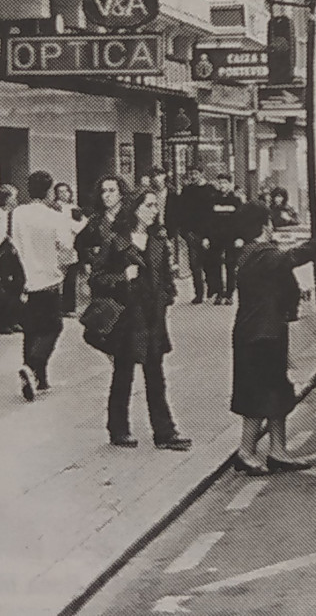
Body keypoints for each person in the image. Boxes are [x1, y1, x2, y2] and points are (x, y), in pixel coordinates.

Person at [90, 189, 191, 451]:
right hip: (127, 317)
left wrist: (168, 296)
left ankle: (165, 432)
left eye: (156, 206)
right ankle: (118, 429)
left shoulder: (158, 241)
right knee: (123, 375)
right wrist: (123, 277)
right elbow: (97, 278)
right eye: (148, 205)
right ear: (135, 209)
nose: (153, 210)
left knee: (156, 376)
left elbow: (167, 278)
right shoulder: (116, 240)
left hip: (152, 316)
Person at [229, 201, 316, 475]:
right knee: (258, 394)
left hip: (264, 331)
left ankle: (278, 451)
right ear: (264, 225)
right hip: (259, 335)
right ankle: (246, 452)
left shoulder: (250, 253)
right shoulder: (259, 253)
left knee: (277, 391)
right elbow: (291, 258)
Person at [10, 170, 83, 401]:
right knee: (53, 327)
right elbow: (66, 244)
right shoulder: (54, 215)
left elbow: (14, 240)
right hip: (49, 278)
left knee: (32, 329)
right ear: (49, 190)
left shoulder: (18, 213)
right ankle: (32, 367)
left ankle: (39, 379)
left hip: (26, 276)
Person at [176, 167, 215, 304]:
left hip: (206, 232)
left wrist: (208, 235)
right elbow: (180, 210)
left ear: (202, 174)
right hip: (191, 232)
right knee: (195, 264)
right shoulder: (187, 191)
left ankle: (212, 288)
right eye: (191, 174)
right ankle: (199, 293)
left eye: (195, 174)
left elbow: (211, 215)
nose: (193, 176)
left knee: (208, 262)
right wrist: (184, 231)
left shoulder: (210, 190)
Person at [205, 173, 243, 305]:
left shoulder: (236, 201)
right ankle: (219, 293)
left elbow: (240, 221)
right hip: (216, 237)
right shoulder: (212, 200)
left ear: (230, 184)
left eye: (225, 183)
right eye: (220, 183)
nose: (222, 186)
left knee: (230, 265)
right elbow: (208, 221)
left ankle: (229, 294)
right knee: (215, 265)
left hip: (231, 237)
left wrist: (240, 237)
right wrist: (207, 237)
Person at [0, 184, 21, 334]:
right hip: (2, 255)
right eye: (13, 197)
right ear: (7, 199)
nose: (16, 200)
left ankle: (14, 319)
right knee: (3, 289)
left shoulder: (15, 215)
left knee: (17, 286)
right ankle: (2, 323)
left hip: (15, 254)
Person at [50, 182, 83, 317]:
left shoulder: (74, 208)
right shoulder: (54, 208)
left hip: (71, 244)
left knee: (71, 279)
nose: (64, 194)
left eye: (66, 191)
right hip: (58, 245)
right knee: (58, 278)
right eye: (60, 191)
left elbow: (81, 225)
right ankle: (55, 307)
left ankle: (68, 307)